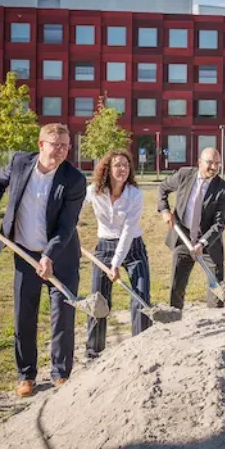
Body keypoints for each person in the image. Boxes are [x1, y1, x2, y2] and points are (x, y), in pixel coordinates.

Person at [0, 123, 86, 397]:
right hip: (25, 253)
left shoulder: (74, 179)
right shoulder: (20, 163)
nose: (61, 151)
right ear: (41, 145)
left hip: (61, 257)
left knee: (62, 316)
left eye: (65, 146)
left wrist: (49, 256)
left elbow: (66, 226)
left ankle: (61, 374)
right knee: (24, 316)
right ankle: (26, 375)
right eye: (56, 145)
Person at [84, 149, 150, 360]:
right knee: (98, 300)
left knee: (140, 296)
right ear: (107, 169)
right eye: (117, 165)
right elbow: (73, 206)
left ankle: (141, 346)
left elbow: (128, 231)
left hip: (133, 247)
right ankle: (94, 350)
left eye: (126, 165)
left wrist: (116, 263)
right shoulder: (94, 191)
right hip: (104, 247)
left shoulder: (135, 195)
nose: (122, 169)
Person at [157, 147, 225, 309]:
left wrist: (202, 244)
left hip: (209, 243)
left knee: (217, 288)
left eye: (217, 163)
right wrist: (165, 210)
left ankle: (216, 317)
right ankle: (175, 316)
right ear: (199, 162)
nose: (214, 167)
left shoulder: (223, 188)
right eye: (210, 163)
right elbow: (163, 188)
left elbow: (219, 224)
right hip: (183, 237)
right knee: (177, 285)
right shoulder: (184, 175)